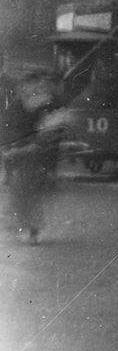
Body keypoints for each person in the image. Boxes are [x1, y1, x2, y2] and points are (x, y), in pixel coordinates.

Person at [2, 73, 65, 245]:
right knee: (21, 194)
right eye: (27, 87)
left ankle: (31, 229)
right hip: (20, 155)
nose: (30, 91)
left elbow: (49, 135)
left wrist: (49, 164)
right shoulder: (16, 107)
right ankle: (27, 227)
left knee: (29, 194)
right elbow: (7, 131)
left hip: (34, 157)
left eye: (35, 88)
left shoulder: (40, 108)